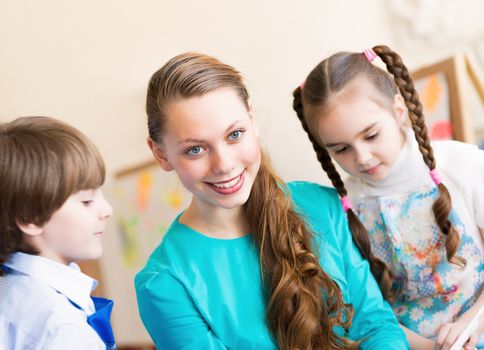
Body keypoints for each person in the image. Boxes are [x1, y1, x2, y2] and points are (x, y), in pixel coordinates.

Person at [134, 52, 409, 350]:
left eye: (235, 134)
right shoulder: (164, 283)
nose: (224, 165)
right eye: (195, 150)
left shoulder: (322, 206)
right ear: (161, 154)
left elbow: (376, 324)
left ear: (252, 121)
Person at [292, 45, 484, 350]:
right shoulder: (342, 208)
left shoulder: (463, 166)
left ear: (398, 110)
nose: (363, 157)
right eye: (341, 149)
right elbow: (367, 310)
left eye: (370, 135)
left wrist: (470, 324)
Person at [0, 116, 116, 349]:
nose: (107, 210)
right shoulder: (62, 327)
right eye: (86, 200)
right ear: (29, 218)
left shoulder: (12, 293)